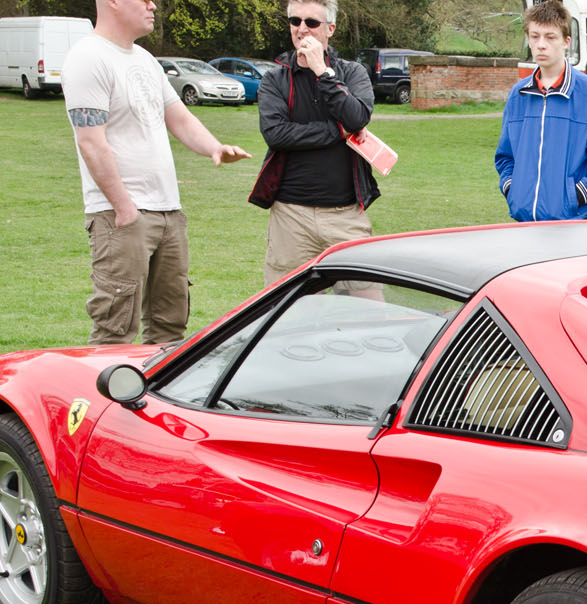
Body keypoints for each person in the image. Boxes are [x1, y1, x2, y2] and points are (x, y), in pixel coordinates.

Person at [62, 0, 251, 345]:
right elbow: (90, 142)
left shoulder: (146, 60)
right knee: (114, 330)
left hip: (169, 212)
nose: (153, 6)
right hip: (121, 216)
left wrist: (214, 147)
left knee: (170, 328)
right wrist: (124, 208)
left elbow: (178, 117)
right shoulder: (88, 57)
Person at [248, 0, 379, 287]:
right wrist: (338, 130)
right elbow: (276, 134)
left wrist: (322, 71)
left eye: (311, 22)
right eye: (295, 21)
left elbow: (357, 117)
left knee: (366, 302)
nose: (302, 29)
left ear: (330, 29)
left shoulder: (352, 73)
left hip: (345, 215)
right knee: (288, 308)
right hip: (291, 216)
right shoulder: (275, 79)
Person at [494, 0, 587, 222]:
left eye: (550, 37)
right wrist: (513, 189)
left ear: (566, 41)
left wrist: (575, 196)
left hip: (575, 225)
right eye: (535, 36)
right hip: (524, 224)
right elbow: (505, 157)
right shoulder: (519, 94)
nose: (541, 45)